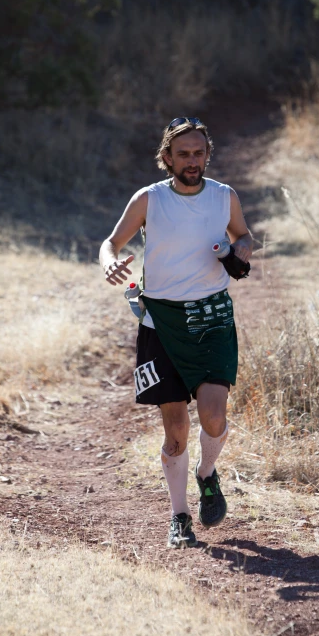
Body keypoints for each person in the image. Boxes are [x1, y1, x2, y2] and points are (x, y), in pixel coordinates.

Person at [99, 117, 253, 549]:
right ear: (166, 157)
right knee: (176, 431)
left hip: (212, 320)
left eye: (198, 153)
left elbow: (244, 236)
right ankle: (179, 517)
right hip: (161, 323)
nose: (192, 161)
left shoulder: (225, 196)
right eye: (182, 154)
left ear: (207, 154)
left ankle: (207, 473)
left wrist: (240, 248)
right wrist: (108, 263)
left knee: (214, 415)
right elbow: (111, 243)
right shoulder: (150, 199)